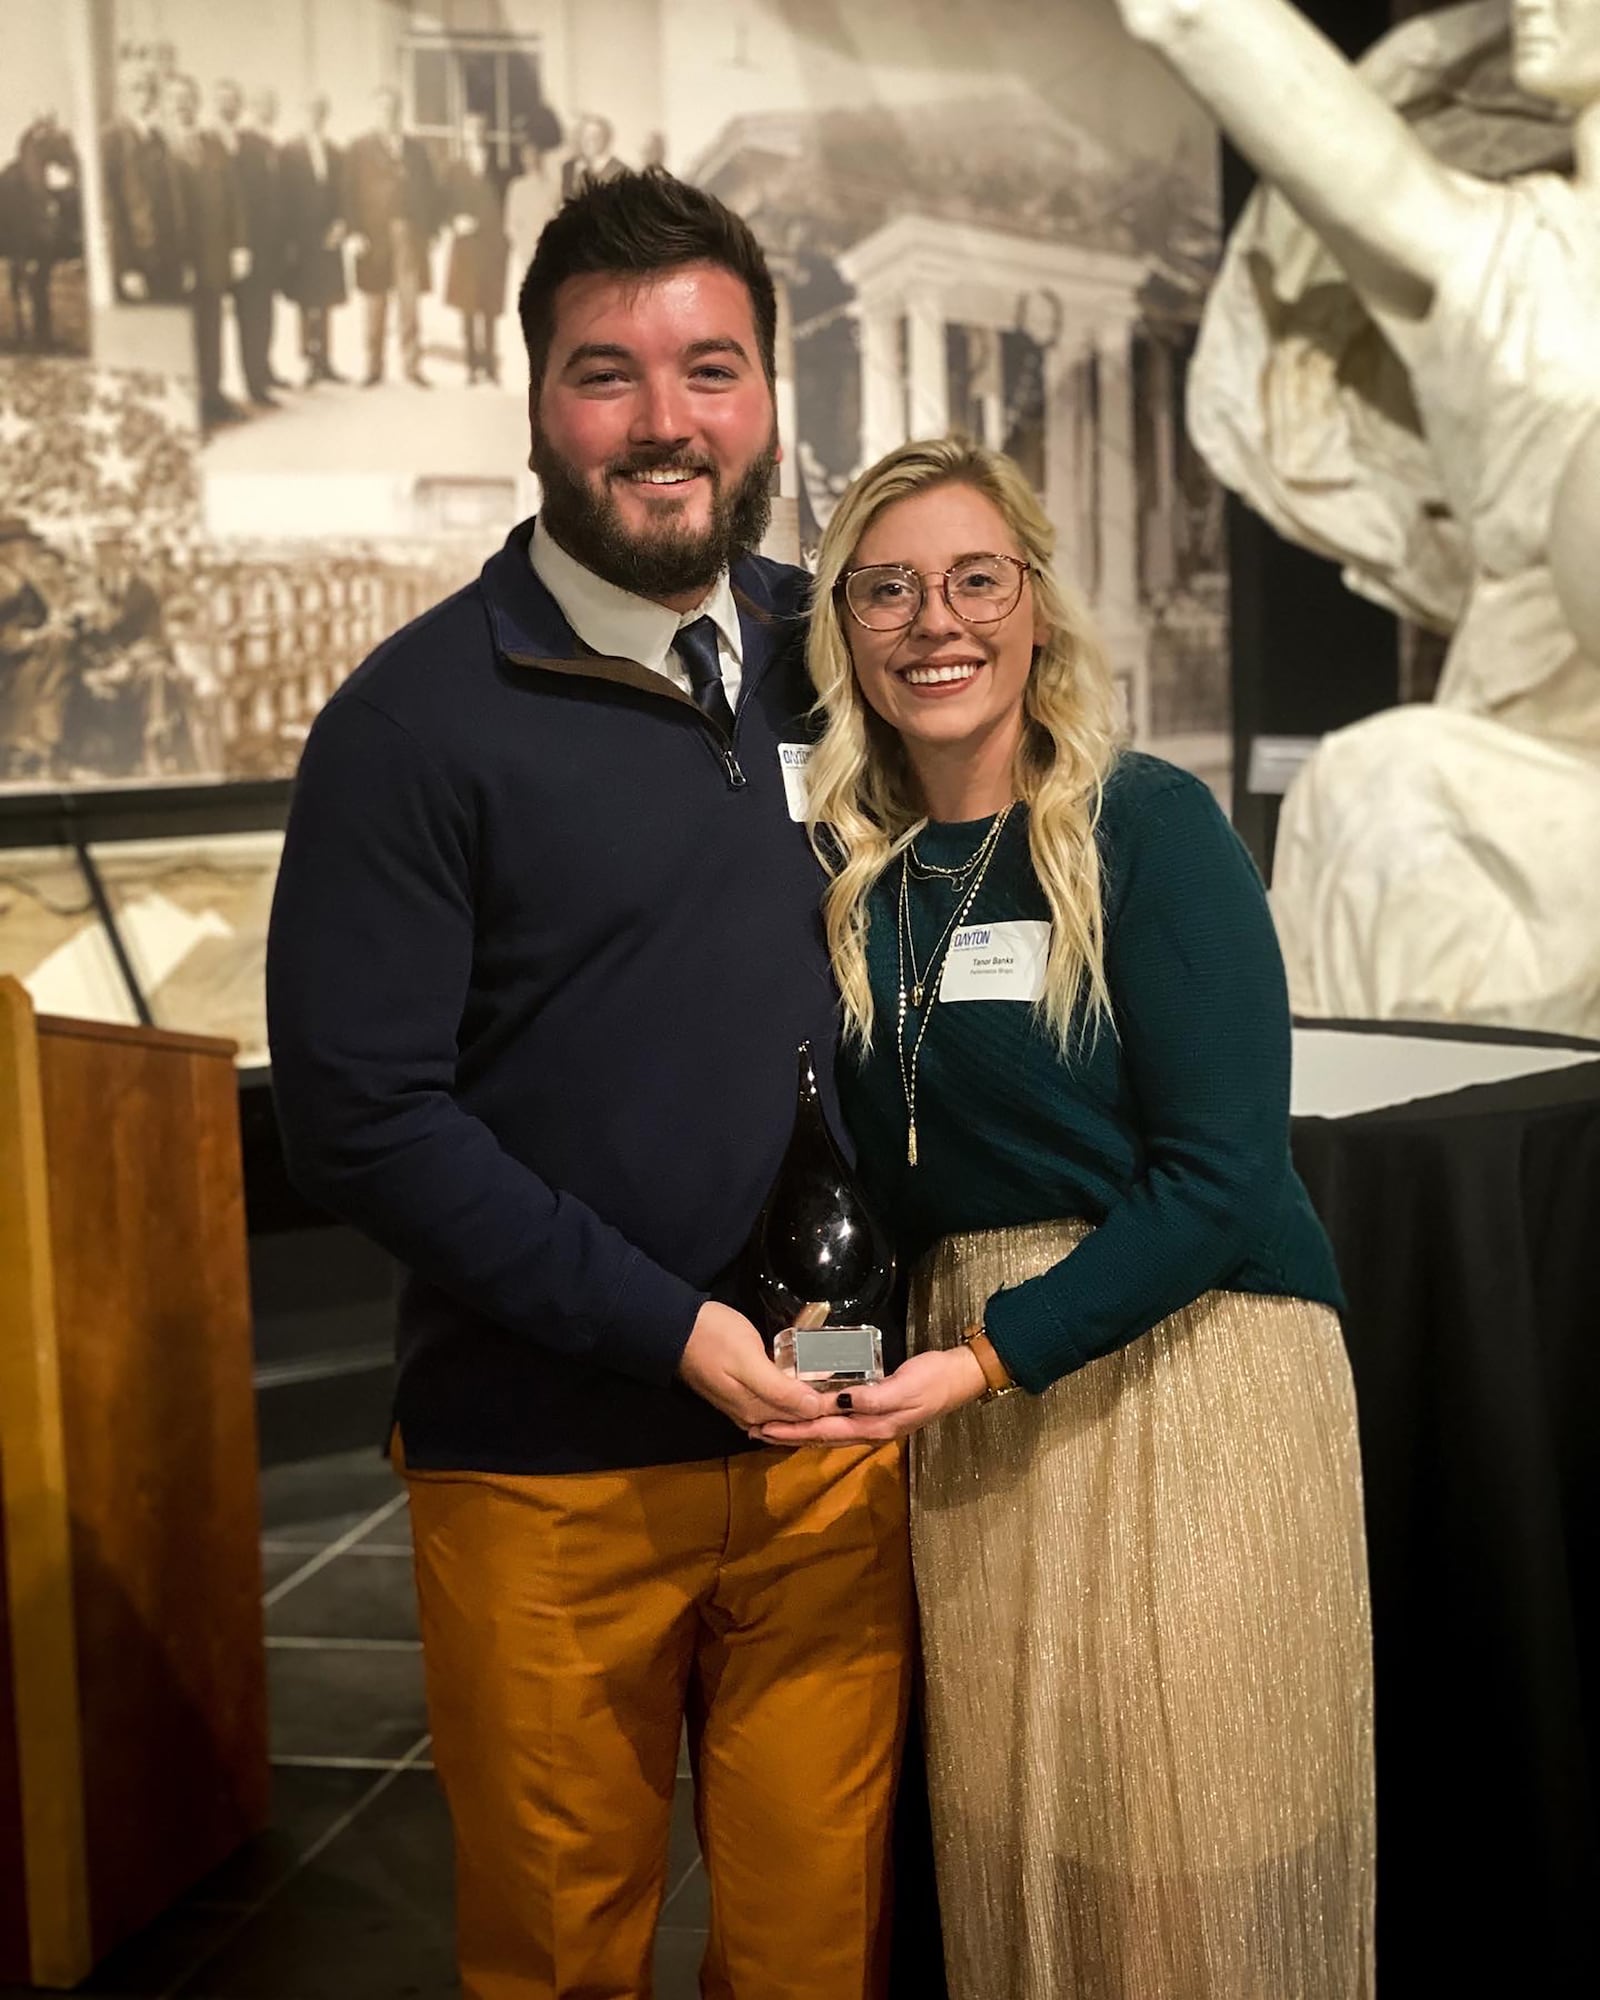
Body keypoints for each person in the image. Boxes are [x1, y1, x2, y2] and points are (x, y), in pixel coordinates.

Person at [265, 168, 914, 2000]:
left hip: (831, 1458)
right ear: (539, 402)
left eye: (711, 369)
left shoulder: (842, 657)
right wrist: (673, 1331)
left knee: (813, 1956)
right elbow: (362, 1120)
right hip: (549, 1474)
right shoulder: (412, 725)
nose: (665, 423)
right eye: (606, 373)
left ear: (773, 394)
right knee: (559, 1961)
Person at [756, 435, 1376, 2000]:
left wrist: (982, 1361)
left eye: (976, 580)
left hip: (1193, 1378)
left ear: (1035, 604)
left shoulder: (1149, 828)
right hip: (983, 1414)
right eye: (885, 591)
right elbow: (861, 1193)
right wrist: (827, 1364)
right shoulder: (858, 882)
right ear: (844, 629)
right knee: (1035, 1853)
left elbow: (1225, 1180)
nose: (933, 622)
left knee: (1188, 1858)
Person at [1111, 0, 1600, 1037]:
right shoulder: (1496, 257)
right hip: (1523, 756)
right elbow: (1196, 20)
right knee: (1385, 787)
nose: (1534, 4)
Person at [163, 72, 248, 434]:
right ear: (166, 104)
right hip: (178, 258)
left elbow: (234, 198)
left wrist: (240, 245)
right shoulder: (159, 146)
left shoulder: (213, 143)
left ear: (197, 103)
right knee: (182, 334)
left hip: (213, 254)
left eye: (188, 98)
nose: (182, 104)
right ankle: (187, 408)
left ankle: (213, 396)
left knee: (213, 328)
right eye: (175, 98)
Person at [341, 87, 437, 388]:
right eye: (383, 108)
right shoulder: (359, 148)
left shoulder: (417, 149)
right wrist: (354, 231)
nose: (389, 113)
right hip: (373, 234)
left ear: (401, 111)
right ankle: (373, 366)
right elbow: (347, 191)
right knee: (374, 298)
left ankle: (411, 366)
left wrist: (429, 231)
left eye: (394, 108)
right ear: (375, 112)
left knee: (409, 301)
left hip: (409, 233)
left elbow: (429, 191)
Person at [213, 79, 283, 408]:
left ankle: (257, 380)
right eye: (222, 101)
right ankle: (213, 392)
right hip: (213, 244)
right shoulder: (204, 141)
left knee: (257, 314)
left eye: (233, 102)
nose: (228, 107)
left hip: (254, 243)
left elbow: (267, 195)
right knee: (211, 322)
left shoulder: (253, 144)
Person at [100, 62, 184, 305]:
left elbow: (173, 202)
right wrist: (126, 267)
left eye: (149, 89)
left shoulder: (158, 139)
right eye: (136, 88)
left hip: (169, 260)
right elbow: (111, 210)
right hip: (138, 263)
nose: (144, 96)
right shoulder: (111, 139)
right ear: (122, 95)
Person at [279, 94, 347, 386]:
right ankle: (308, 360)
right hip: (302, 238)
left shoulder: (335, 151)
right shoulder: (289, 152)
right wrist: (290, 240)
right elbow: (283, 198)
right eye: (309, 113)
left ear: (325, 116)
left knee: (327, 297)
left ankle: (326, 361)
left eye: (319, 113)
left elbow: (344, 193)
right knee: (307, 300)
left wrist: (341, 224)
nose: (314, 118)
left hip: (328, 236)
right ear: (301, 116)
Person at [442, 112, 509, 384]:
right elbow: (443, 204)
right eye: (471, 129)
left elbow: (507, 205)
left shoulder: (500, 168)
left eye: (481, 128)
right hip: (466, 246)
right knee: (468, 307)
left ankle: (490, 366)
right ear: (464, 134)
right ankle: (471, 365)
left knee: (490, 307)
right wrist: (454, 221)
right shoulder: (455, 168)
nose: (476, 134)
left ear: (486, 133)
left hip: (493, 246)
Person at [501, 131, 557, 316]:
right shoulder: (517, 187)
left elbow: (557, 218)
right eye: (527, 155)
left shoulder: (552, 187)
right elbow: (510, 224)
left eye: (535, 154)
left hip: (549, 253)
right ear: (523, 159)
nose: (531, 159)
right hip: (525, 254)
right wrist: (523, 249)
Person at [560, 112, 626, 198]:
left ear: (606, 138)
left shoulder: (621, 171)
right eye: (584, 135)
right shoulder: (571, 168)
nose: (588, 141)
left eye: (595, 136)